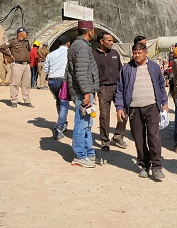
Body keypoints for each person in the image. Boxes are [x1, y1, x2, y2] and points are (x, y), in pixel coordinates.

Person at [114, 42, 168, 180]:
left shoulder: (155, 67)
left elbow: (162, 86)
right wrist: (119, 107)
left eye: (139, 53)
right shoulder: (127, 69)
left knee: (153, 137)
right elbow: (119, 89)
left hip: (152, 107)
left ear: (146, 53)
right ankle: (144, 165)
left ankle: (157, 166)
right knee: (138, 138)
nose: (136, 55)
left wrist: (165, 103)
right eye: (135, 53)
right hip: (134, 108)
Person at [67, 20, 100, 168]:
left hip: (85, 91)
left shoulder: (79, 45)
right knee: (82, 124)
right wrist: (87, 92)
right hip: (82, 92)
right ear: (90, 31)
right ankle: (79, 155)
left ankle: (88, 151)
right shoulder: (81, 47)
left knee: (87, 123)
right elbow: (81, 73)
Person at [93, 31, 126, 152]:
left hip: (118, 87)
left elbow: (121, 70)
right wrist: (94, 91)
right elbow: (93, 74)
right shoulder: (94, 56)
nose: (112, 43)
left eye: (112, 40)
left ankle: (118, 136)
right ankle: (105, 141)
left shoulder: (115, 53)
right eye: (109, 41)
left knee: (124, 113)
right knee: (104, 116)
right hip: (103, 89)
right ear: (101, 41)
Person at [45, 35, 71, 139]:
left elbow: (46, 69)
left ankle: (63, 122)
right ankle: (59, 127)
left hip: (52, 81)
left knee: (58, 102)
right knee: (64, 103)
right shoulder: (69, 53)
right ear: (68, 43)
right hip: (63, 81)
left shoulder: (51, 54)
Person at [0, 26, 33, 108]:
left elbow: (29, 51)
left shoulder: (27, 42)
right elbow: (1, 47)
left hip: (26, 65)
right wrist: (9, 54)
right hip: (17, 65)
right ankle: (14, 100)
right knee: (15, 83)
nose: (27, 34)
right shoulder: (13, 42)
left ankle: (27, 100)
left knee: (26, 84)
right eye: (26, 32)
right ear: (21, 33)